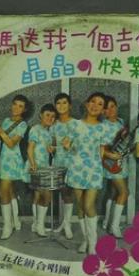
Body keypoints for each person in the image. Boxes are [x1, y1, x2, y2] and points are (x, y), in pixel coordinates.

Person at [63, 92, 109, 254]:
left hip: (94, 171)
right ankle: (85, 239)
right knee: (81, 206)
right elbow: (69, 147)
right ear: (86, 103)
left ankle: (93, 244)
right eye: (93, 102)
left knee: (89, 205)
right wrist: (67, 146)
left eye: (100, 104)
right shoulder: (75, 124)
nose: (95, 106)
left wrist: (98, 167)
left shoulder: (103, 127)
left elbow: (101, 151)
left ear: (103, 110)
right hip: (76, 168)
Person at [0, 94, 30, 240]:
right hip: (3, 159)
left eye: (20, 106)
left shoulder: (22, 125)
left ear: (24, 110)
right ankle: (15, 222)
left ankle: (7, 226)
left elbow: (11, 143)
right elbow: (2, 141)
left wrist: (1, 132)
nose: (16, 108)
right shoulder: (6, 121)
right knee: (10, 192)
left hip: (13, 161)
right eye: (15, 104)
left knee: (3, 193)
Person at [23, 104, 56, 236]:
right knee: (47, 195)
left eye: (53, 116)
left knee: (38, 195)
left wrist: (51, 149)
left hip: (44, 167)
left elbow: (46, 149)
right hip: (36, 167)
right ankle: (40, 225)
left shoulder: (48, 132)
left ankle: (36, 224)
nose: (50, 118)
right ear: (41, 115)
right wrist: (33, 164)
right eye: (47, 115)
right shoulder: (35, 129)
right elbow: (30, 148)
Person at [100, 95, 129, 238]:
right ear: (103, 112)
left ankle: (107, 222)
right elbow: (99, 147)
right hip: (110, 163)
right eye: (106, 108)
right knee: (124, 193)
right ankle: (115, 226)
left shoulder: (121, 122)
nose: (110, 110)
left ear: (116, 106)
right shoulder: (103, 126)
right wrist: (110, 156)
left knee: (113, 192)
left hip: (121, 162)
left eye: (112, 106)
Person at [49, 93, 76, 240]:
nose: (61, 106)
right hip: (58, 162)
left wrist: (70, 146)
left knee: (69, 193)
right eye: (58, 103)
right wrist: (51, 148)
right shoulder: (54, 125)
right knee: (63, 193)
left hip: (72, 163)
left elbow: (81, 147)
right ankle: (65, 223)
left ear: (70, 105)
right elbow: (52, 144)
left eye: (64, 103)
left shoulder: (77, 124)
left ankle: (68, 225)